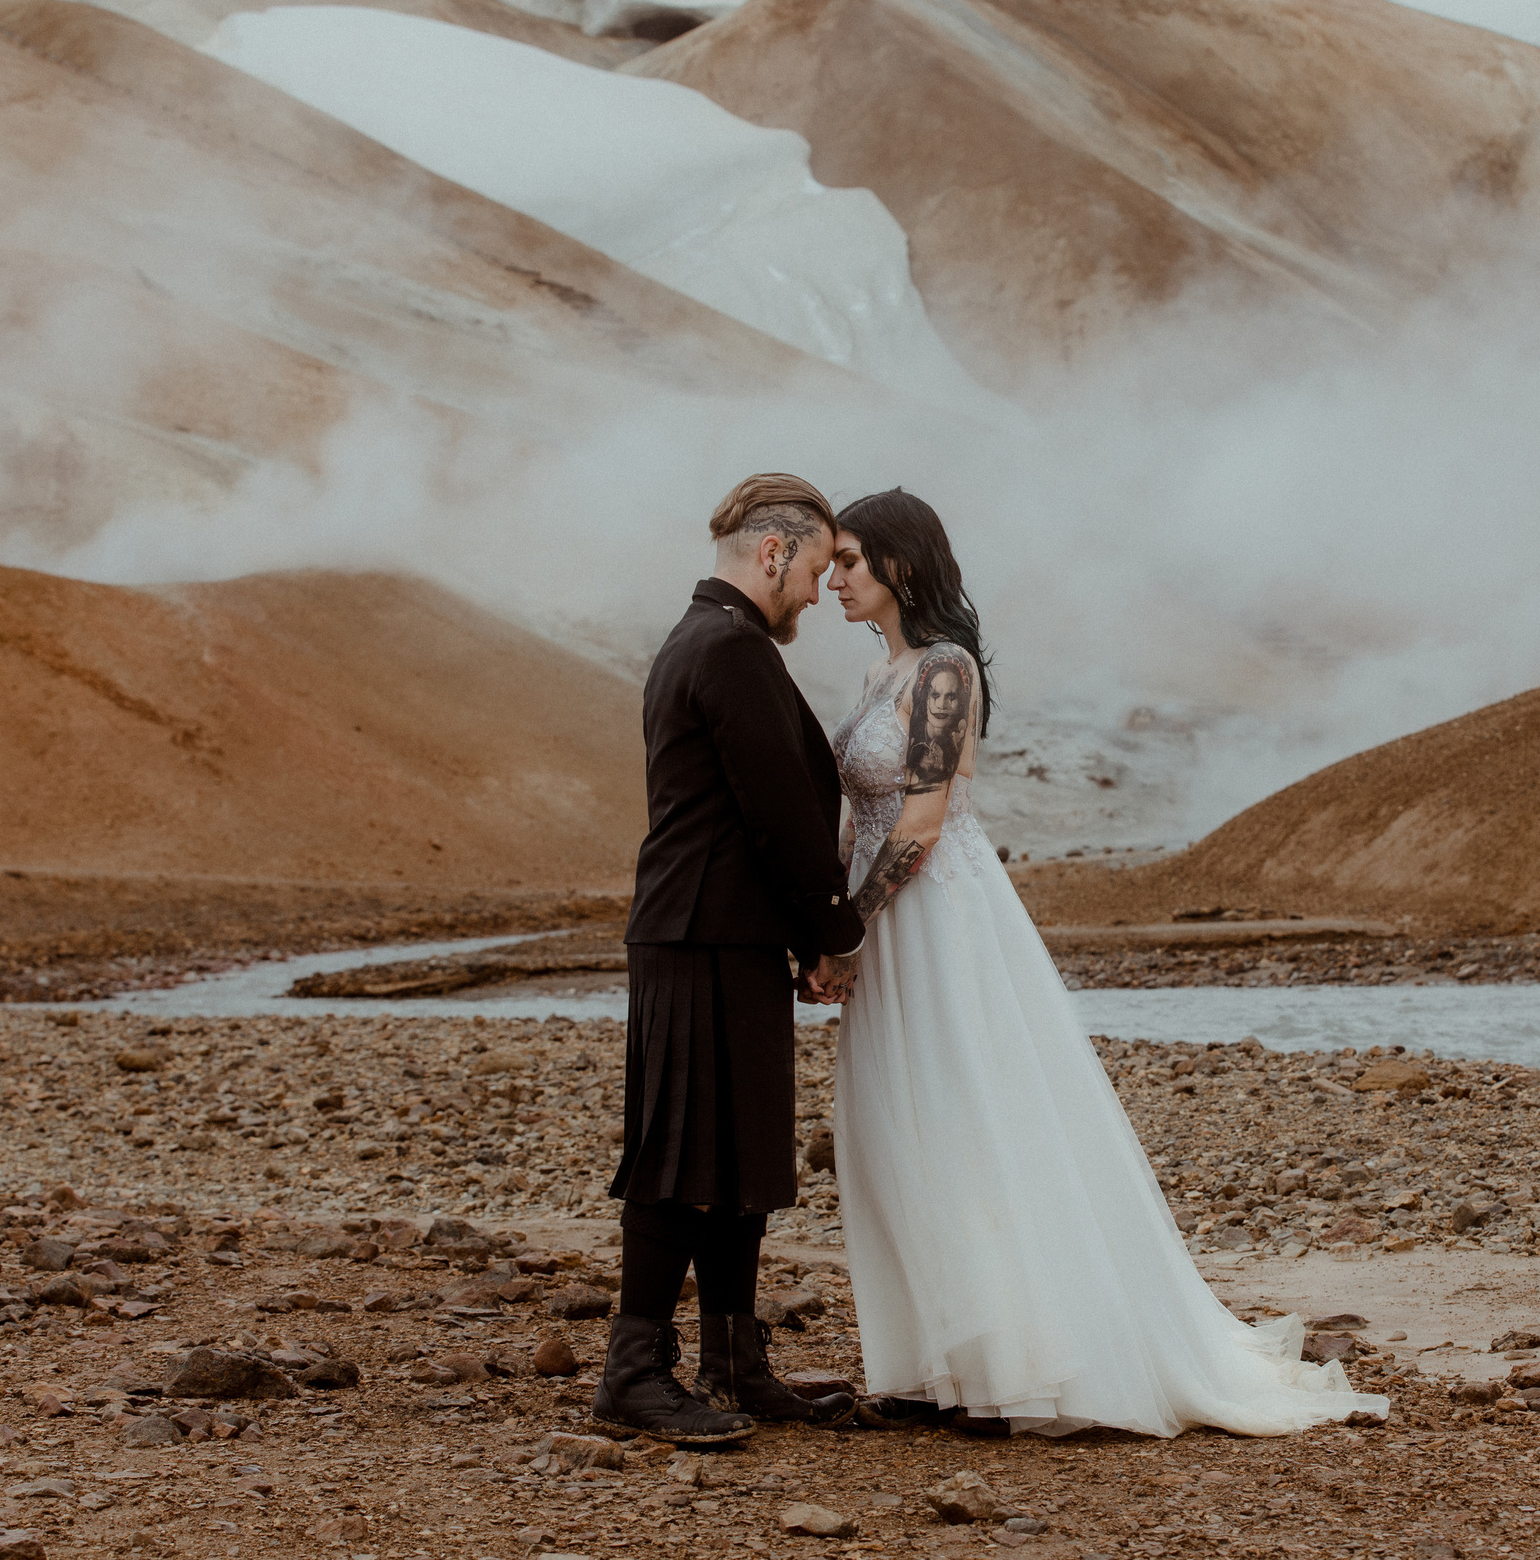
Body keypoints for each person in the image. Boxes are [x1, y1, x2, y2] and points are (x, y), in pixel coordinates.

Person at [810, 487, 1389, 1438]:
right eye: (832, 563)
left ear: (902, 566)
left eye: (852, 561)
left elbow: (918, 827)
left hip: (939, 921)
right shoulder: (883, 674)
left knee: (971, 1122)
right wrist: (829, 921)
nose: (835, 579)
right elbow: (858, 819)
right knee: (895, 1128)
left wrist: (848, 927)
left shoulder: (945, 669)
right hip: (885, 924)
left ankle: (1021, 1364)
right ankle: (934, 1361)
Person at [593, 473, 864, 1444]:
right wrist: (832, 934)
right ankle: (633, 1373)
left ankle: (735, 1364)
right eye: (817, 570)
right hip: (699, 933)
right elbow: (778, 813)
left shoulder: (713, 641)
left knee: (740, 1153)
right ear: (771, 554)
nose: (815, 597)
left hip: (720, 932)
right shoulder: (725, 647)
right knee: (678, 1153)